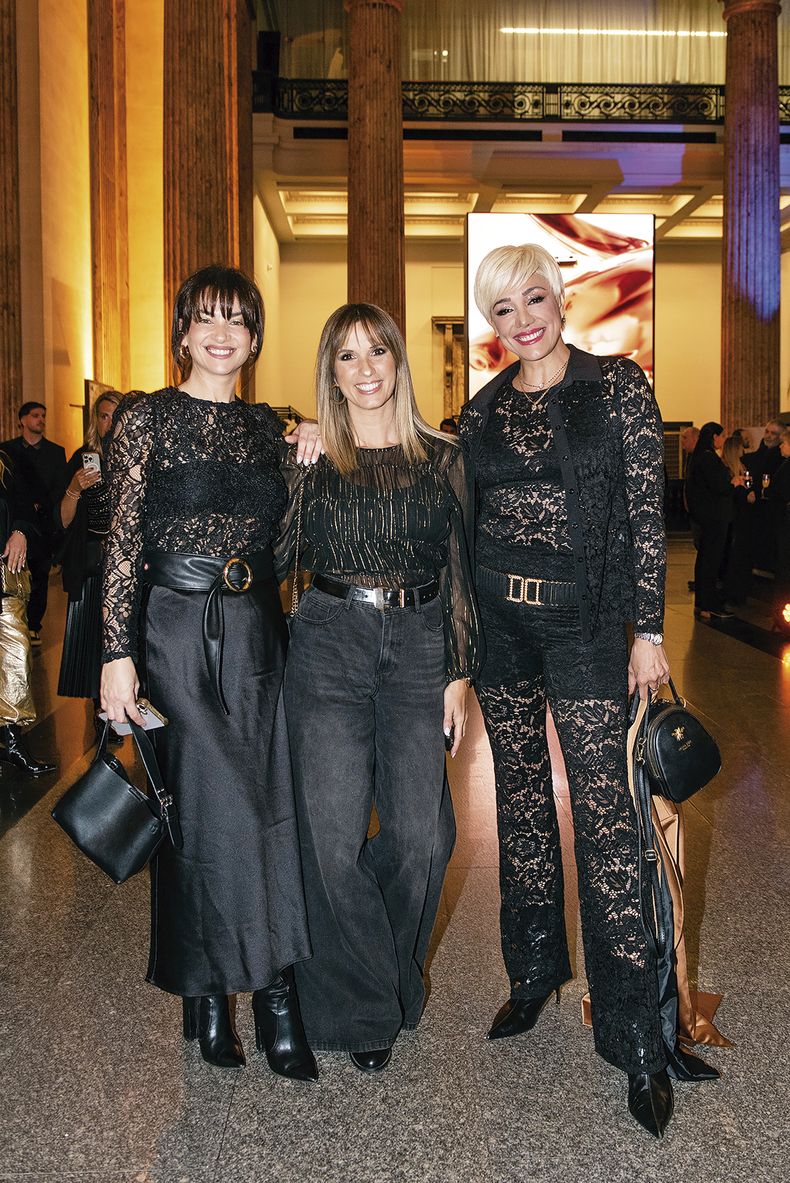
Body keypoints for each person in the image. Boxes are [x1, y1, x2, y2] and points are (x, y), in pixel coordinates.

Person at [460, 242, 719, 1141]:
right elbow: (466, 520)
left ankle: (636, 1035)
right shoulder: (482, 411)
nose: (523, 317)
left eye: (535, 297)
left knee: (610, 822)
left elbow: (648, 513)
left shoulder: (618, 386)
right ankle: (532, 973)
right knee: (523, 809)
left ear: (561, 299)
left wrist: (647, 630)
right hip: (502, 632)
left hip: (582, 628)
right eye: (503, 307)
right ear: (490, 323)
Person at [100, 264, 319, 1080]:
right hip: (173, 633)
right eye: (206, 318)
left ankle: (229, 993)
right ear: (183, 332)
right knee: (209, 811)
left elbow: (288, 551)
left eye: (237, 320)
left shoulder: (272, 428)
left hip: (258, 633)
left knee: (262, 806)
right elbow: (121, 539)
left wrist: (304, 468)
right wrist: (116, 655)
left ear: (256, 339)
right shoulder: (146, 419)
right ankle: (261, 995)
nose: (221, 333)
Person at [275, 302, 480, 1074]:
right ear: (330, 371)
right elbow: (281, 554)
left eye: (377, 352)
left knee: (425, 838)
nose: (365, 369)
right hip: (329, 638)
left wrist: (460, 671)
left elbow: (458, 569)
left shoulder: (444, 457)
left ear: (399, 360)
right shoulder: (317, 454)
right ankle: (365, 1003)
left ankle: (385, 975)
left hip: (423, 641)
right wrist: (297, 468)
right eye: (347, 356)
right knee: (328, 843)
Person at [56, 392, 121, 737]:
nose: (109, 423)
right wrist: (74, 488)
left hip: (126, 564)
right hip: (94, 563)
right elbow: (63, 522)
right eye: (104, 416)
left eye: (116, 416)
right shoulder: (83, 460)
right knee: (94, 643)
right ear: (95, 420)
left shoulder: (134, 457)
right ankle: (101, 714)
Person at [0, 448, 57, 776]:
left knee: (17, 656)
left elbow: (26, 507)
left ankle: (11, 740)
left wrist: (21, 530)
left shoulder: (6, 461)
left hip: (5, 579)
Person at [1, 403, 67, 645]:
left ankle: (34, 625)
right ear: (22, 420)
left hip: (41, 524)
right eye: (35, 416)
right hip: (16, 525)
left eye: (43, 416)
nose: (41, 420)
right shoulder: (7, 450)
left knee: (40, 573)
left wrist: (43, 505)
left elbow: (60, 486)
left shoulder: (55, 452)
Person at [686, 422, 735, 621]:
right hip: (714, 517)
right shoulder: (708, 458)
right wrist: (733, 482)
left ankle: (702, 604)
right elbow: (720, 485)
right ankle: (709, 605)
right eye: (722, 437)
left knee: (705, 559)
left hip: (705, 517)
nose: (723, 441)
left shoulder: (698, 457)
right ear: (714, 437)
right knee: (711, 561)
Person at [721, 433, 756, 606]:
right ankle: (734, 592)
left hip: (739, 518)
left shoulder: (739, 468)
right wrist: (745, 492)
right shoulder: (729, 471)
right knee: (735, 556)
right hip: (735, 519)